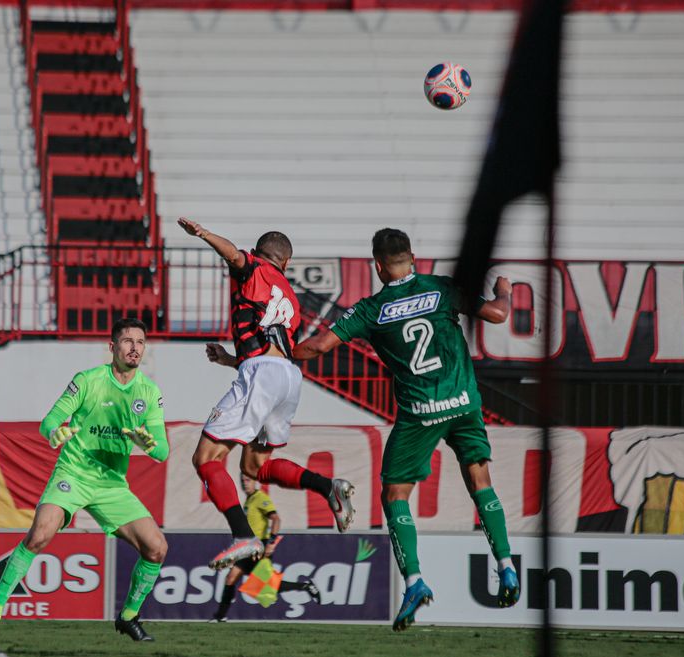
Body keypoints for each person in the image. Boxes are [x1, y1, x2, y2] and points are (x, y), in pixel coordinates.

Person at [293, 228, 521, 632]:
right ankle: (506, 566)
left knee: (395, 493)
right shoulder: (443, 288)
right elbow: (498, 314)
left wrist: (275, 349)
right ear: (413, 257)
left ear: (377, 265)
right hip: (464, 403)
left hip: (420, 412)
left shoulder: (371, 308)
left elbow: (315, 348)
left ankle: (414, 581)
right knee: (480, 480)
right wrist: (504, 290)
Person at [0, 318, 169, 644]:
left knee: (157, 548)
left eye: (140, 342)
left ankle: (129, 616)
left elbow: (162, 449)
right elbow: (49, 421)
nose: (134, 348)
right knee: (40, 534)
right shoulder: (88, 381)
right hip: (73, 474)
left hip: (111, 485)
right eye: (127, 341)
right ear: (112, 347)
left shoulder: (149, 392)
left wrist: (150, 445)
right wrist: (56, 433)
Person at [178, 217, 355, 572]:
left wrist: (204, 234)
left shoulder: (254, 267)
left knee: (206, 458)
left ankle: (243, 536)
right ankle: (328, 486)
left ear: (262, 254)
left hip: (262, 374)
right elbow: (272, 348)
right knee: (254, 466)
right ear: (286, 263)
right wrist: (232, 360)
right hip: (287, 378)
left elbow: (234, 257)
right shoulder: (287, 293)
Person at [210, 473, 321, 622]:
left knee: (269, 585)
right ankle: (220, 616)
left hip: (258, 548)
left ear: (256, 482)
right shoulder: (249, 500)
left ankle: (306, 586)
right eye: (242, 481)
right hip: (247, 548)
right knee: (231, 578)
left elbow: (276, 519)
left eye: (248, 480)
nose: (245, 483)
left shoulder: (260, 497)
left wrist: (271, 541)